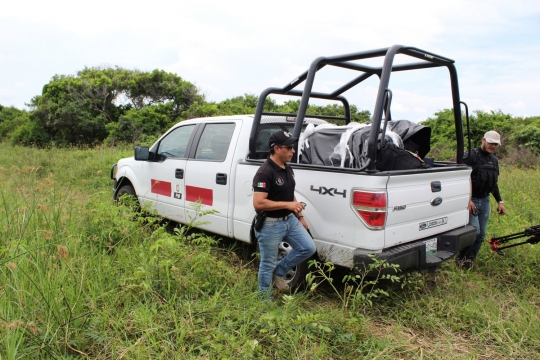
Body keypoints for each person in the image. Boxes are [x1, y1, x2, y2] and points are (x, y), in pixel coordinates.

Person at [252, 130, 316, 298]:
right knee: (267, 263)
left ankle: (278, 271)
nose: (293, 151)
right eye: (289, 148)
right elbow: (259, 203)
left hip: (290, 220)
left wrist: (299, 216)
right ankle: (265, 300)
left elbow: (289, 192)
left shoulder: (287, 168)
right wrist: (289, 204)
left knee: (308, 247)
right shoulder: (264, 172)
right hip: (270, 224)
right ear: (277, 148)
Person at [457, 130, 506, 269]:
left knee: (481, 234)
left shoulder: (494, 161)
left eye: (495, 144)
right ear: (483, 140)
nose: (493, 146)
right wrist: (468, 199)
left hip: (485, 200)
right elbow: (461, 179)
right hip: (471, 200)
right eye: (490, 142)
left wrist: (500, 201)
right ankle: (460, 259)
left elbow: (493, 183)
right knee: (475, 232)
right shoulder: (471, 156)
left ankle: (468, 262)